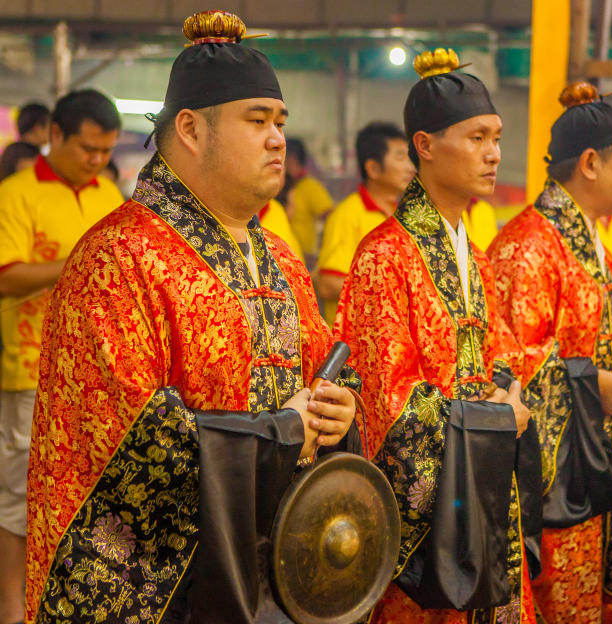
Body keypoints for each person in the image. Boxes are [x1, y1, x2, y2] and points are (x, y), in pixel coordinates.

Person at [23, 12, 359, 623]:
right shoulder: (118, 256)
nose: (278, 138)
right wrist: (281, 434)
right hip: (161, 586)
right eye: (256, 121)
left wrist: (340, 407)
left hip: (272, 569)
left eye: (280, 122)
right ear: (191, 129)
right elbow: (132, 438)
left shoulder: (278, 253)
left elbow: (325, 361)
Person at [336, 48, 537, 623]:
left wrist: (512, 392)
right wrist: (494, 420)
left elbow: (499, 355)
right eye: (476, 137)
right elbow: (389, 405)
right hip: (433, 517)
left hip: (483, 486)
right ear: (424, 145)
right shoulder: (383, 255)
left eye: (496, 137)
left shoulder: (471, 252)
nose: (494, 153)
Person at [488, 81, 612, 623]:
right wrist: (597, 383)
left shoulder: (591, 239)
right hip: (559, 484)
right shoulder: (529, 245)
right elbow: (513, 366)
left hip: (592, 465)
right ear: (593, 163)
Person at [0, 89, 122, 624]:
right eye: (88, 149)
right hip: (30, 366)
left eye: (106, 150)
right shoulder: (16, 195)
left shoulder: (110, 195)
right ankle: (11, 607)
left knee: (86, 495)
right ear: (55, 135)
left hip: (98, 375)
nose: (97, 160)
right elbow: (7, 277)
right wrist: (79, 260)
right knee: (19, 498)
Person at [314, 122, 414, 321]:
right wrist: (388, 293)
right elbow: (328, 284)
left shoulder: (406, 217)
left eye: (409, 157)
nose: (410, 167)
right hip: (357, 345)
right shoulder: (347, 214)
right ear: (374, 168)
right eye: (400, 157)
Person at [283, 137, 333, 262]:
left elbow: (330, 218)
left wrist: (322, 254)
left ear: (292, 158)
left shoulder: (310, 187)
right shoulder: (280, 187)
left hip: (303, 257)